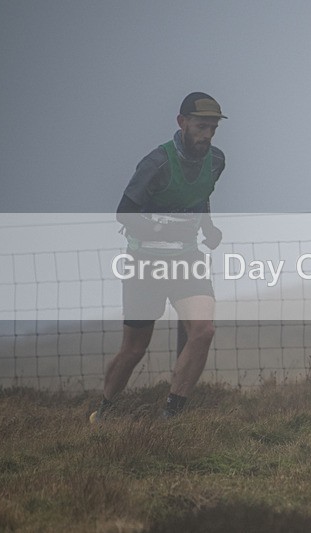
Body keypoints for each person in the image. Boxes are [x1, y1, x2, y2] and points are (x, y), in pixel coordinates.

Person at [90, 92, 227, 422]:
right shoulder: (157, 163)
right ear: (182, 123)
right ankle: (105, 411)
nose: (206, 135)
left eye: (212, 128)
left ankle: (172, 414)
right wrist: (161, 229)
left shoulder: (217, 161)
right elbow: (124, 213)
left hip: (188, 259)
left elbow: (200, 196)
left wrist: (208, 227)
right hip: (145, 262)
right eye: (200, 127)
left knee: (203, 331)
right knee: (134, 349)